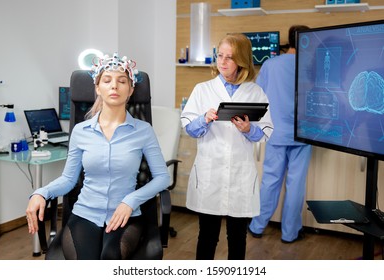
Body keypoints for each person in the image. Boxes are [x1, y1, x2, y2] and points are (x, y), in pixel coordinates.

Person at [25, 53, 170, 259]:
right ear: (97, 88)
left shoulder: (143, 130)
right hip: (85, 214)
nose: (114, 86)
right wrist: (41, 193)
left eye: (122, 81)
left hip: (126, 216)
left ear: (131, 89)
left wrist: (130, 200)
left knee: (110, 258)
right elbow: (68, 179)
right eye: (107, 80)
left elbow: (163, 177)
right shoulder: (81, 131)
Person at [180, 33, 273, 260]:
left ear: (241, 60)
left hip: (240, 174)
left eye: (229, 57)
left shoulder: (255, 92)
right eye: (220, 56)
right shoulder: (203, 90)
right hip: (211, 171)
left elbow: (266, 131)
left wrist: (248, 129)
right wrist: (204, 119)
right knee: (207, 235)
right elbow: (188, 128)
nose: (222, 62)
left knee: (238, 236)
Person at [248, 25, 312, 243]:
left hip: (276, 134)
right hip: (304, 135)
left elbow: (258, 95)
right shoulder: (311, 67)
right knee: (295, 185)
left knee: (270, 181)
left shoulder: (270, 64)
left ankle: (257, 226)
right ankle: (290, 233)